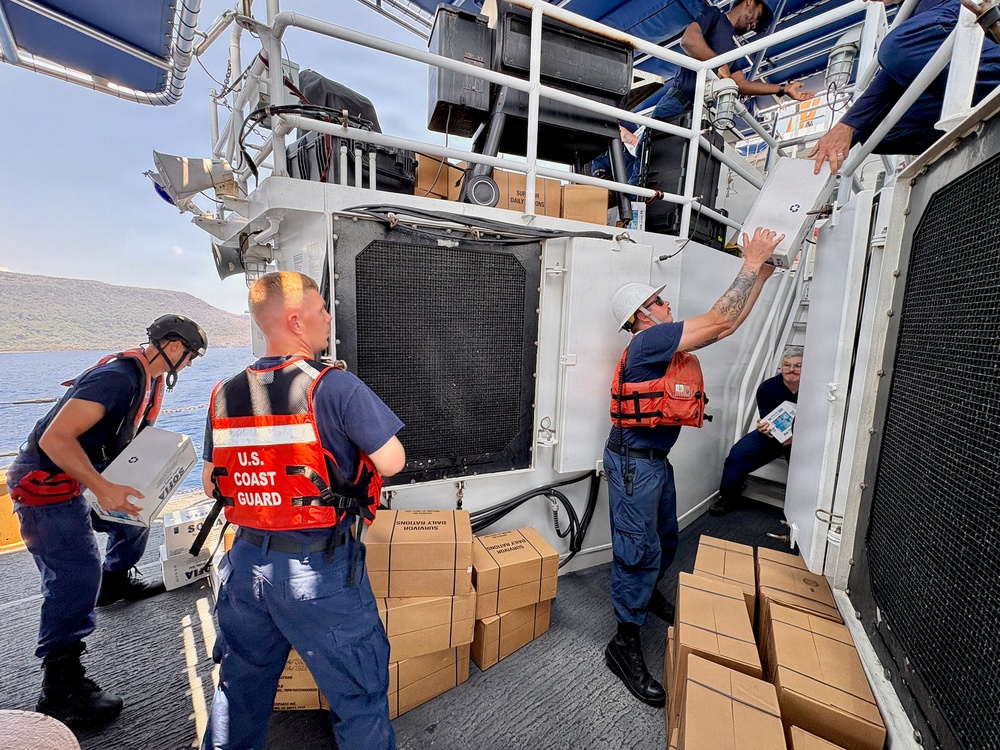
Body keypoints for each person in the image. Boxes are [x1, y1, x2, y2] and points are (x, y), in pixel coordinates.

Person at [201, 271, 405, 750]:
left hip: (244, 566)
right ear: (296, 321)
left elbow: (213, 484)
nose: (328, 317)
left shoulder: (224, 393)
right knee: (359, 696)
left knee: (239, 689)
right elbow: (392, 461)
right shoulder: (335, 386)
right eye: (321, 309)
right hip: (318, 571)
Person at [602, 226, 783, 707]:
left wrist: (760, 278)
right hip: (634, 466)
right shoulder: (650, 341)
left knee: (664, 539)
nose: (667, 305)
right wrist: (750, 263)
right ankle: (623, 643)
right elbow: (719, 320)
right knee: (636, 551)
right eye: (659, 302)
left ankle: (646, 595)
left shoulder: (663, 344)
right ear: (643, 316)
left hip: (652, 463)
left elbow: (726, 326)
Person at [7, 315, 208, 728]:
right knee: (76, 576)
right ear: (174, 347)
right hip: (45, 483)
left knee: (135, 520)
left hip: (78, 474)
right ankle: (60, 687)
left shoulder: (147, 380)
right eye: (190, 356)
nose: (188, 365)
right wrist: (102, 487)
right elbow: (54, 438)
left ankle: (115, 582)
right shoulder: (116, 378)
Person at [592, 0, 813, 187]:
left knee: (671, 169)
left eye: (754, 27)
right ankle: (629, 207)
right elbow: (689, 41)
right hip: (677, 101)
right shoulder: (715, 16)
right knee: (647, 156)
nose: (752, 26)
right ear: (750, 2)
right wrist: (718, 65)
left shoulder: (732, 50)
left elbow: (741, 84)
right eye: (755, 19)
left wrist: (783, 89)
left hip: (696, 114)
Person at [809, 0, 1000, 174]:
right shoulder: (910, 13)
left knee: (900, 45)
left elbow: (905, 50)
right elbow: (898, 71)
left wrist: (848, 125)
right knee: (878, 132)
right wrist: (846, 129)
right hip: (970, 80)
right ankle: (980, 131)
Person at [709, 345, 803, 516]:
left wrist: (797, 438)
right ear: (781, 366)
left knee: (806, 470)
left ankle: (804, 510)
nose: (791, 370)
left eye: (798, 366)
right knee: (737, 456)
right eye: (787, 365)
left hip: (802, 438)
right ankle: (728, 497)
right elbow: (767, 419)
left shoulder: (814, 390)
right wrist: (763, 428)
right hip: (773, 436)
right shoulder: (767, 387)